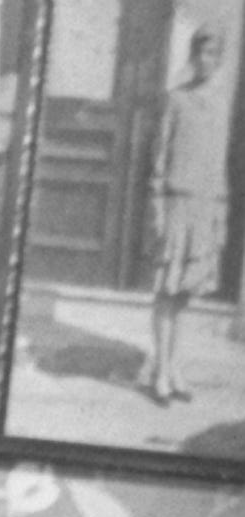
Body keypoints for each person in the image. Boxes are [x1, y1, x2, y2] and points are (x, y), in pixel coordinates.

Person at [153, 26, 232, 405]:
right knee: (166, 291)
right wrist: (156, 205)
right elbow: (160, 156)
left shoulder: (219, 106)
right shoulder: (176, 100)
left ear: (220, 61)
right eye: (202, 53)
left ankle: (175, 366)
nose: (207, 60)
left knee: (184, 294)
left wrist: (220, 212)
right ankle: (160, 373)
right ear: (192, 56)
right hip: (177, 203)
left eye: (214, 54)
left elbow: (218, 165)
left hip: (205, 208)